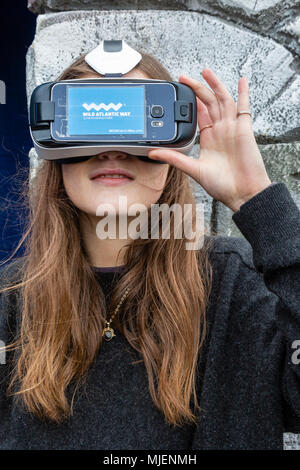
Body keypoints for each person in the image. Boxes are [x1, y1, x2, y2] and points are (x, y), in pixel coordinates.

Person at [0, 47, 299, 451]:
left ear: (173, 144)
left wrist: (260, 203)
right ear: (56, 149)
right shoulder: (9, 303)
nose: (113, 150)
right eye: (91, 123)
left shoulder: (238, 289)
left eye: (137, 125)